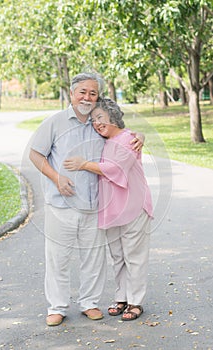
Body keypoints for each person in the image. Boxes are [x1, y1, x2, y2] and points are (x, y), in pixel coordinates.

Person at [29, 73, 144, 327]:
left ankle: (89, 303)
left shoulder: (98, 123)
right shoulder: (55, 122)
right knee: (58, 257)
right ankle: (57, 307)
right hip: (61, 204)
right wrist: (57, 177)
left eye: (93, 93)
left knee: (93, 258)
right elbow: (35, 154)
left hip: (94, 204)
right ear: (72, 93)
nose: (87, 97)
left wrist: (140, 136)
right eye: (82, 91)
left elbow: (122, 135)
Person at [64, 97, 153, 322]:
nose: (96, 124)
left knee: (134, 255)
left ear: (113, 117)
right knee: (118, 256)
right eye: (93, 120)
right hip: (112, 208)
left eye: (100, 118)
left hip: (134, 206)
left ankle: (136, 301)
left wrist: (83, 164)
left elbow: (115, 168)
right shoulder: (104, 140)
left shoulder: (129, 139)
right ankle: (122, 297)